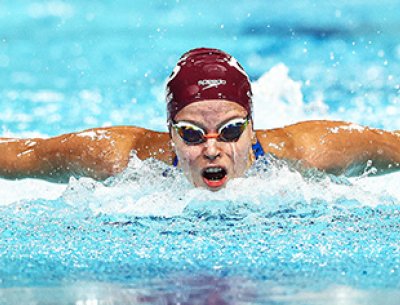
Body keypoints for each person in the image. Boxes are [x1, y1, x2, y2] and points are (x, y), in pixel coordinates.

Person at [1, 47, 400, 191]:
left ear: (252, 128)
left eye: (230, 131)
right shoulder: (120, 158)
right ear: (170, 133)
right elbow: (21, 155)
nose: (212, 149)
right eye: (192, 134)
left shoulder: (308, 152)